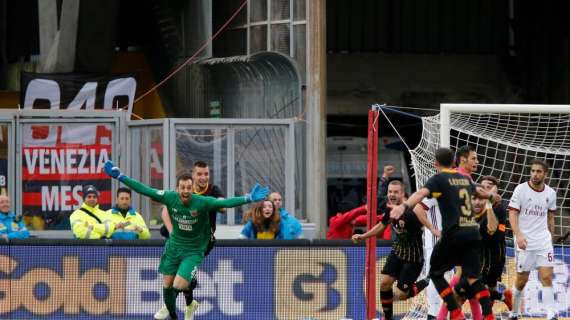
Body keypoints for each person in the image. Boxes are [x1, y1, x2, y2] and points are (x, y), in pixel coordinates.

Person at [103, 160, 269, 320]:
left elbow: (226, 202)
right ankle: (175, 313)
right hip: (174, 247)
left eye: (189, 188)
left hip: (194, 249)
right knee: (167, 288)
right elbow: (145, 190)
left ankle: (182, 304)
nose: (186, 191)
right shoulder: (169, 197)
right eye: (182, 187)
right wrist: (121, 177)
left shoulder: (202, 202)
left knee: (179, 284)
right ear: (177, 188)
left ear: (192, 189)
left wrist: (247, 198)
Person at [390, 148, 500, 320]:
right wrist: (492, 197)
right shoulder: (465, 178)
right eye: (473, 158)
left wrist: (403, 206)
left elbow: (419, 197)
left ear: (435, 164)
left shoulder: (439, 180)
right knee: (471, 279)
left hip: (452, 235)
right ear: (456, 162)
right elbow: (480, 193)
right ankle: (487, 315)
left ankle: (449, 315)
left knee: (435, 274)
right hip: (472, 233)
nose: (476, 161)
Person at [352, 180, 433, 320]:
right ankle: (387, 318)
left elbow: (426, 223)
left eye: (396, 192)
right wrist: (363, 236)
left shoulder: (413, 209)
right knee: (384, 284)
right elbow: (382, 226)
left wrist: (434, 230)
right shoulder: (390, 208)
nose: (392, 194)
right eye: (390, 192)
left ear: (402, 193)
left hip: (413, 257)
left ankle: (426, 281)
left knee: (401, 295)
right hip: (397, 251)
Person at [160, 161, 226, 311]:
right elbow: (165, 210)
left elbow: (222, 206)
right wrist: (172, 232)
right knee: (178, 277)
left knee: (187, 280)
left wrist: (221, 203)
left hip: (202, 242)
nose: (203, 177)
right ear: (193, 176)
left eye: (206, 174)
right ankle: (189, 305)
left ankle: (170, 305)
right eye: (200, 174)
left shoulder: (213, 190)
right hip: (180, 239)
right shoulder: (185, 190)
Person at [508, 159, 557, 320]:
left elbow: (550, 217)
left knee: (546, 276)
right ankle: (514, 313)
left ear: (545, 174)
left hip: (543, 241)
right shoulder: (521, 190)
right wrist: (518, 235)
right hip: (525, 241)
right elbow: (513, 214)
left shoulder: (550, 193)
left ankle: (551, 314)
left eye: (539, 171)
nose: (535, 174)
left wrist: (551, 238)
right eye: (533, 171)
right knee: (522, 280)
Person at [477, 176, 512, 309]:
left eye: (489, 187)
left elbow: (494, 234)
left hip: (494, 254)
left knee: (477, 287)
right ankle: (504, 298)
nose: (484, 190)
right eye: (483, 187)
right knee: (489, 290)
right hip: (482, 252)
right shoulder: (478, 204)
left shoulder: (499, 208)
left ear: (495, 190)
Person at [416, 197, 443, 319]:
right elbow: (418, 209)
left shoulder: (455, 187)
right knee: (434, 276)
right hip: (435, 242)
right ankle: (433, 313)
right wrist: (432, 229)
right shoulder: (435, 190)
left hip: (452, 241)